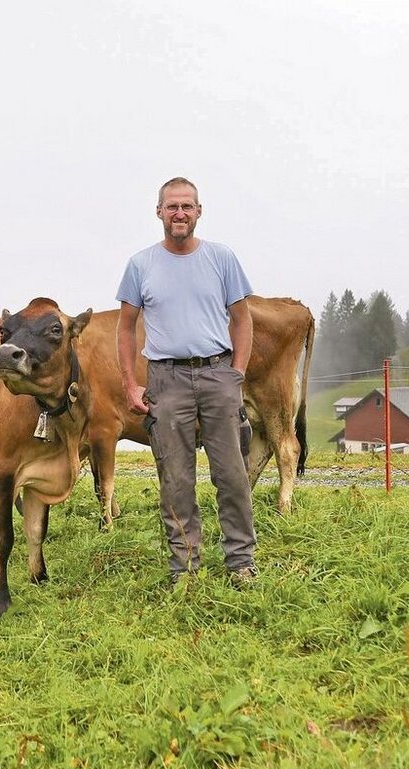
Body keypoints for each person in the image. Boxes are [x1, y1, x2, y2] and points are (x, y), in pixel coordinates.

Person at [116, 177, 257, 583]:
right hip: (166, 377)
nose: (180, 213)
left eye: (187, 206)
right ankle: (185, 568)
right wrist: (130, 383)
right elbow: (126, 328)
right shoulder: (140, 264)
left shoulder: (222, 258)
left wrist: (237, 375)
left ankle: (241, 562)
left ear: (199, 212)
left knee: (231, 474)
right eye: (172, 206)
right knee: (176, 478)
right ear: (158, 211)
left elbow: (242, 319)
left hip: (218, 372)